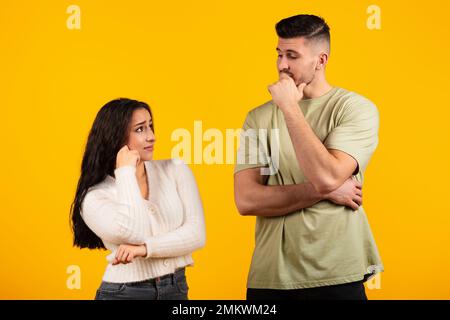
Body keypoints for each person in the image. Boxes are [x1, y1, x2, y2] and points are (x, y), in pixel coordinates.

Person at [234, 14, 383, 300]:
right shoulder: (258, 118)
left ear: (321, 60)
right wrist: (327, 190)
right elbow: (246, 200)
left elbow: (326, 175)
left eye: (292, 55)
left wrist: (290, 108)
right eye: (279, 54)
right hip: (272, 277)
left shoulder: (355, 109)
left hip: (339, 272)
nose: (281, 65)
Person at [70, 98, 206, 300]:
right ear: (115, 136)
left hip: (176, 288)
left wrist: (145, 249)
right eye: (140, 129)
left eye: (150, 126)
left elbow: (197, 234)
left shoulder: (175, 169)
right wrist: (125, 171)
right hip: (125, 294)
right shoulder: (94, 197)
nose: (152, 136)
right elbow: (134, 231)